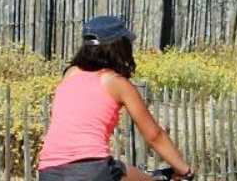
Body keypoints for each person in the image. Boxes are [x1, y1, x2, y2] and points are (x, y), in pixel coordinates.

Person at [38, 16, 195, 181]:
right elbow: (154, 136)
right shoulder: (116, 83)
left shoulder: (69, 74)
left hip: (49, 171)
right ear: (119, 47)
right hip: (93, 170)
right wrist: (184, 170)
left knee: (123, 171)